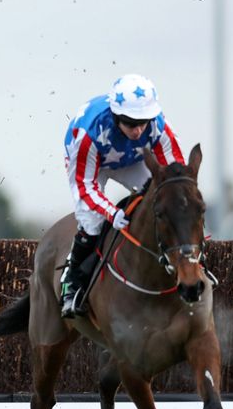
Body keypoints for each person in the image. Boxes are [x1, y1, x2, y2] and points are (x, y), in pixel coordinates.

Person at [61, 74, 198, 318]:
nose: (138, 130)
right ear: (116, 117)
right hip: (91, 165)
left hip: (131, 160)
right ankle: (72, 283)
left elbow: (174, 174)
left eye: (143, 123)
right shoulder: (89, 135)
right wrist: (111, 212)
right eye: (130, 124)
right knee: (93, 223)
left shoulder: (158, 125)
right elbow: (86, 186)